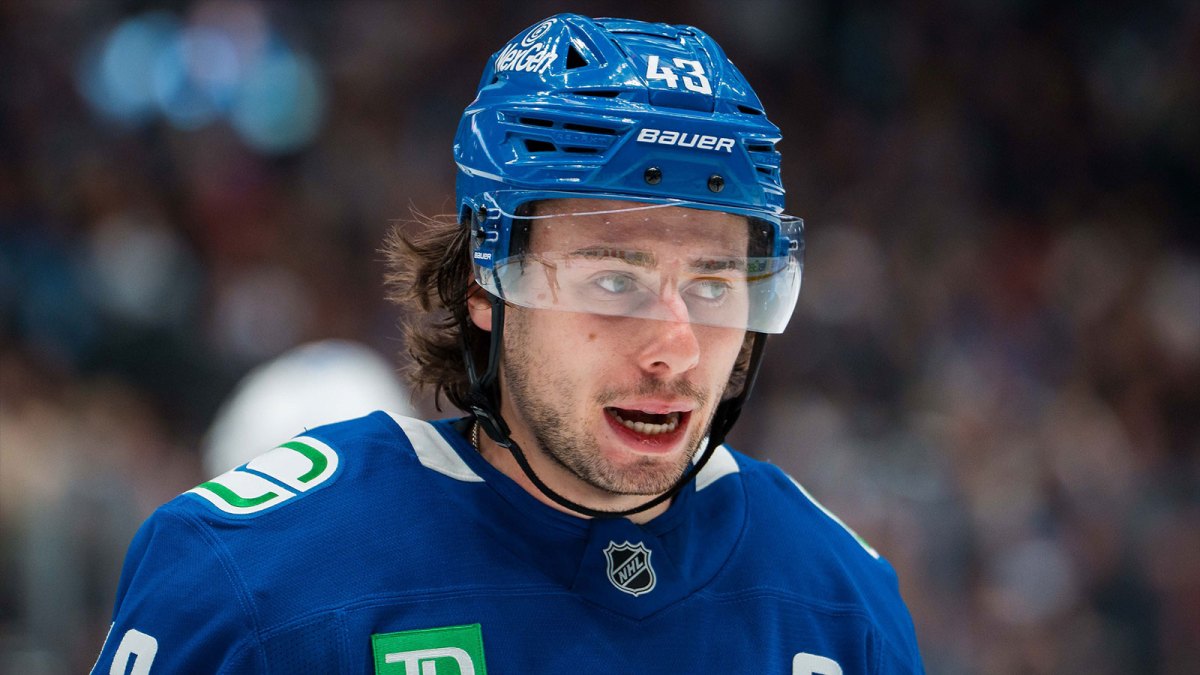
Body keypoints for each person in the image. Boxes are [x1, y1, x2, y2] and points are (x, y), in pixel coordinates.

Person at [92, 14, 924, 673]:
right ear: (484, 285)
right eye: (614, 280)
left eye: (713, 286)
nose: (675, 349)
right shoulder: (253, 582)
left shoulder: (839, 601)